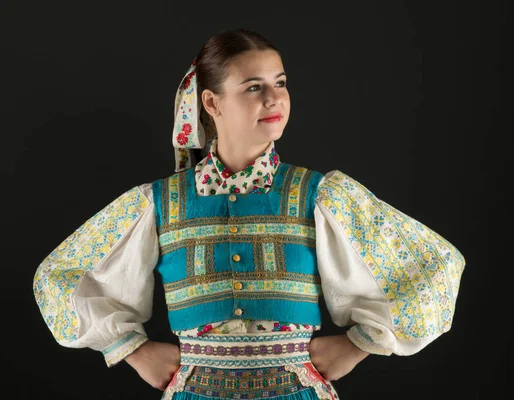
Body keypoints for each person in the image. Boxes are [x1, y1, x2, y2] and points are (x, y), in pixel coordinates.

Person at [33, 28, 466, 400]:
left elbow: (436, 266)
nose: (275, 97)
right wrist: (129, 347)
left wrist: (360, 343)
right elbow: (58, 276)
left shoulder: (319, 195)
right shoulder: (160, 202)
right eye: (254, 86)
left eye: (281, 82)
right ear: (212, 103)